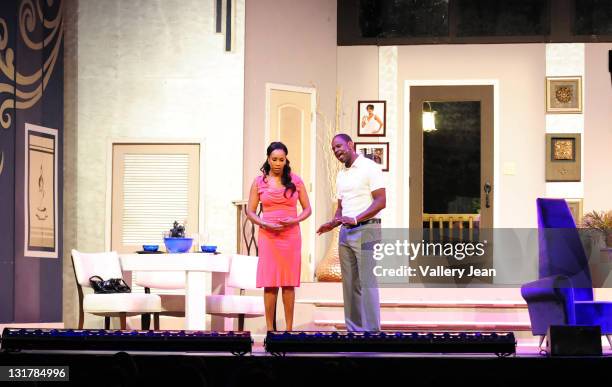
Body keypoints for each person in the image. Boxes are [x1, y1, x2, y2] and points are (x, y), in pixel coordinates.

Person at [317, 133, 385, 331]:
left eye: (339, 146)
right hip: (346, 233)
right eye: (333, 149)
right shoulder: (341, 175)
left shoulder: (369, 167)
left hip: (367, 229)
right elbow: (341, 207)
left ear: (350, 144)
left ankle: (372, 332)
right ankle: (354, 330)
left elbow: (381, 201)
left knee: (367, 282)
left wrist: (356, 218)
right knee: (349, 285)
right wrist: (332, 222)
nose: (337, 151)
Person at [246, 142, 312, 331]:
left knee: (288, 282)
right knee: (270, 282)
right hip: (268, 235)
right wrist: (263, 223)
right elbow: (250, 211)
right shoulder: (259, 182)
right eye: (274, 159)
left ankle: (289, 330)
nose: (277, 163)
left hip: (290, 235)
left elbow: (308, 209)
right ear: (268, 159)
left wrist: (294, 220)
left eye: (281, 160)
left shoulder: (295, 180)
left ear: (286, 160)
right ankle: (270, 329)